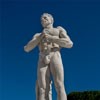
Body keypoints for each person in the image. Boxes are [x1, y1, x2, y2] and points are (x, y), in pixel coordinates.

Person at [24, 13, 73, 100]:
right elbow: (27, 48)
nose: (43, 19)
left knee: (59, 84)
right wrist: (41, 36)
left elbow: (69, 43)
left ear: (51, 20)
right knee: (42, 87)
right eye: (41, 19)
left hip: (55, 54)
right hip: (42, 57)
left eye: (45, 17)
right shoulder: (37, 35)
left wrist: (52, 38)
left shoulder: (58, 30)